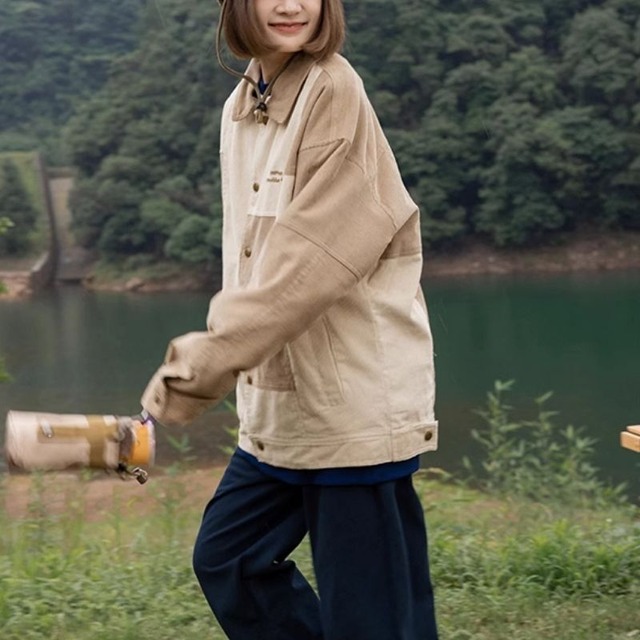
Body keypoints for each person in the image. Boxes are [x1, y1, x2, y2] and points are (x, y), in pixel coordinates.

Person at [140, 0, 440, 638]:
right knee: (229, 560)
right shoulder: (243, 103)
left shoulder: (334, 89)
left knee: (372, 617)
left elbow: (308, 264)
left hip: (351, 399)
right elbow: (252, 259)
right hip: (278, 408)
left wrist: (196, 369)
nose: (289, 5)